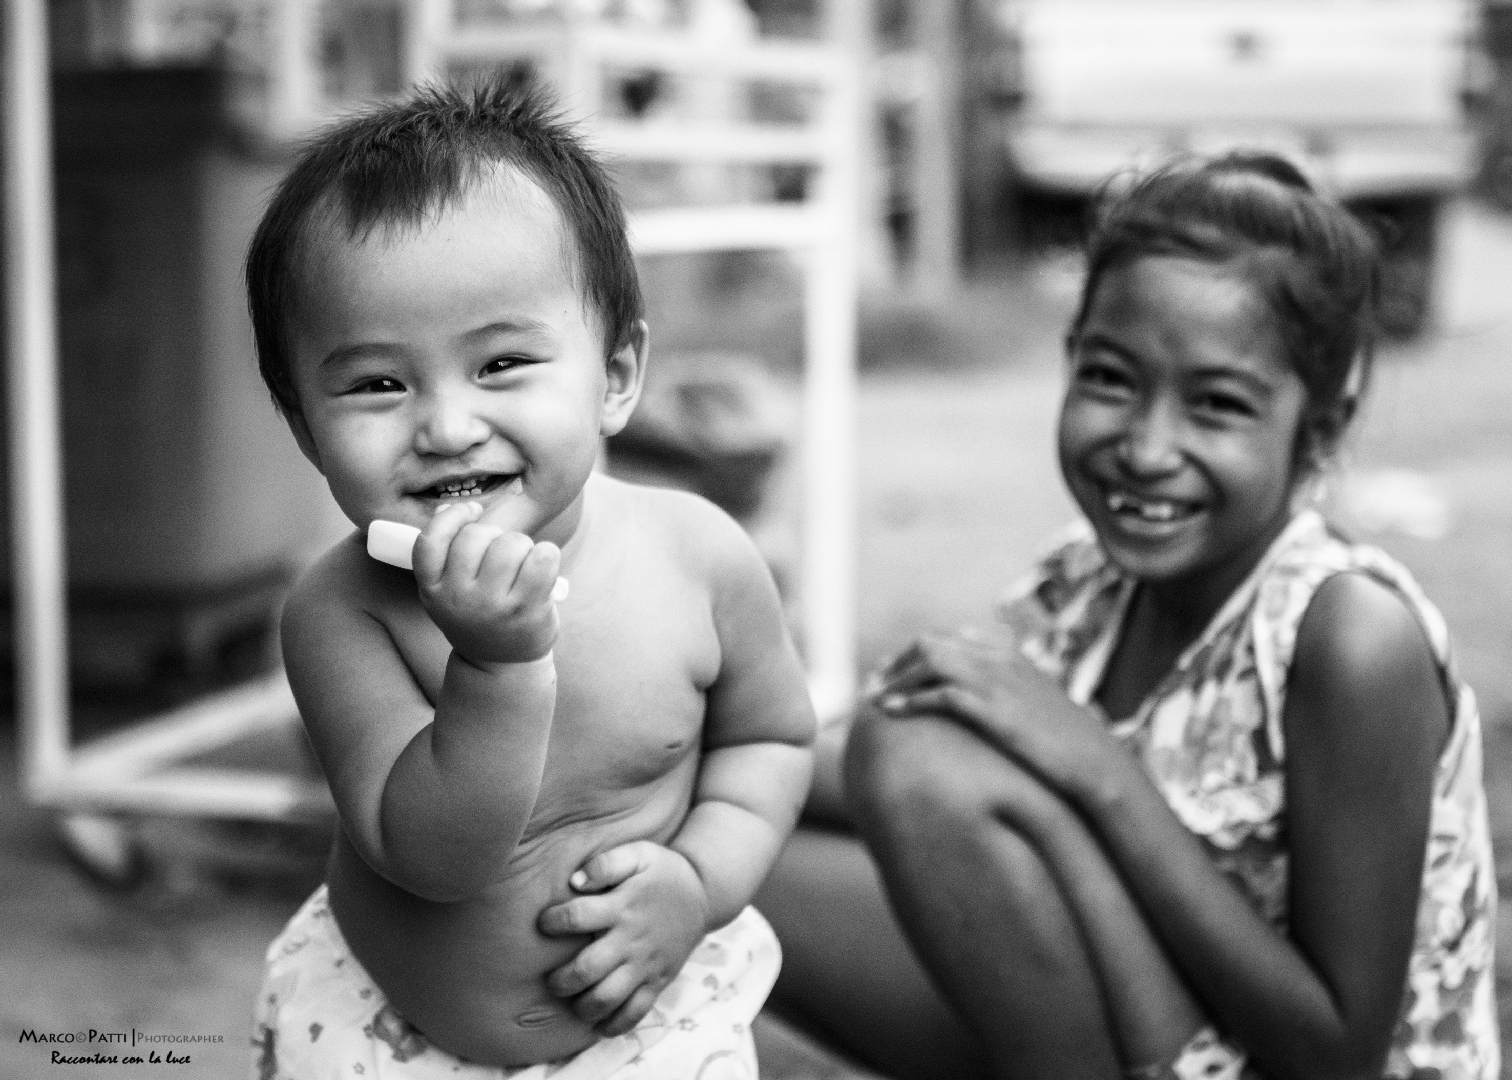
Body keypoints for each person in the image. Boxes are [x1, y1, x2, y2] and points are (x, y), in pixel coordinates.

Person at [758, 153, 1498, 1080]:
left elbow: (1335, 1054)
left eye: (1218, 405)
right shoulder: (1088, 582)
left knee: (921, 764)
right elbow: (869, 767)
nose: (1148, 448)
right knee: (732, 837)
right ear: (1070, 362)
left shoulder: (1348, 638)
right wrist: (689, 744)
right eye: (1111, 379)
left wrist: (1099, 774)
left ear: (1320, 429)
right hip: (1129, 1026)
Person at [244, 78, 815, 1080]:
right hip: (380, 1043)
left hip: (664, 1034)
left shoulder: (698, 556)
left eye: (502, 363)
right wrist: (497, 669)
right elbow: (431, 857)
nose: (447, 425)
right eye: (378, 383)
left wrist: (698, 882)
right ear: (303, 425)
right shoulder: (339, 612)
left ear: (616, 377)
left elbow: (769, 741)